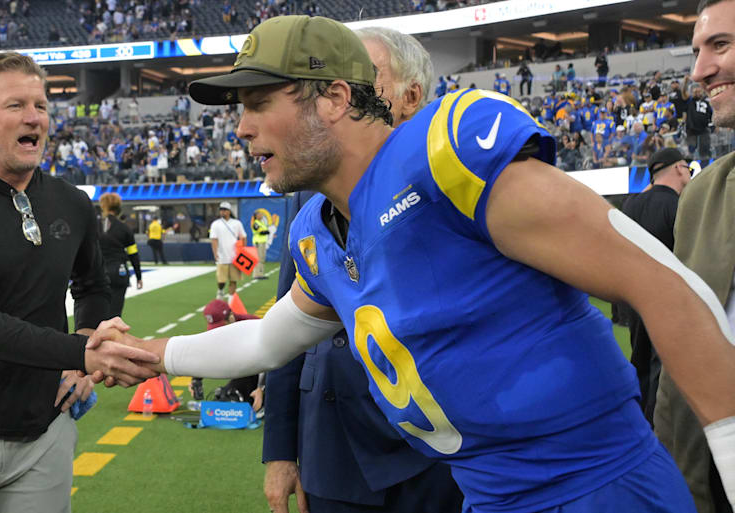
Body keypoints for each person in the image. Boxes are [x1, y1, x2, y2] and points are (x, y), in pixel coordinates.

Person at [94, 15, 735, 513]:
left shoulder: (446, 153)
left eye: (258, 103)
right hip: (487, 495)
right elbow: (268, 340)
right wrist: (155, 354)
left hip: (595, 487)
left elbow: (665, 286)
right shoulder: (318, 230)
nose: (240, 129)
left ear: (334, 98)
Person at [0, 52, 159, 513]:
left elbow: (91, 285)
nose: (34, 117)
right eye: (16, 105)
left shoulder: (72, 202)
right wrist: (84, 353)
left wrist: (84, 347)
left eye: (41, 105)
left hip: (45, 426)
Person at [262, 25, 462, 513]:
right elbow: (286, 332)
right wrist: (280, 452)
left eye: (363, 79)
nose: (342, 96)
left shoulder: (454, 179)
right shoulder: (311, 198)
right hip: (331, 446)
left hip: (439, 445)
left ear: (410, 97)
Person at [655, 1, 735, 511]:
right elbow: (676, 365)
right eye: (697, 51)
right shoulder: (703, 195)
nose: (699, 71)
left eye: (720, 44)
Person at [620, 147, 692, 426]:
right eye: (687, 168)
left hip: (633, 298)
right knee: (663, 370)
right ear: (678, 168)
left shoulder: (631, 204)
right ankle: (655, 427)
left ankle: (636, 423)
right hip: (668, 299)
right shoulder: (679, 205)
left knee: (639, 361)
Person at [190, 299, 263, 404]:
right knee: (226, 397)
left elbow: (273, 360)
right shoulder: (219, 333)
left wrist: (262, 389)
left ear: (231, 317)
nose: (219, 332)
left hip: (266, 372)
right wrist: (196, 379)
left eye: (221, 327)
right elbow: (207, 351)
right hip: (245, 370)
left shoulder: (254, 326)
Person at [98, 192, 143, 319]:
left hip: (98, 274)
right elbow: (133, 254)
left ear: (103, 206)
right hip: (119, 273)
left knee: (98, 315)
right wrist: (138, 276)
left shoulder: (94, 226)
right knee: (115, 315)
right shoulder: (125, 228)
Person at [209, 201, 245, 300]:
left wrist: (243, 251)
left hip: (235, 257)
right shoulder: (216, 224)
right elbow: (214, 239)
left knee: (233, 280)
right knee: (221, 280)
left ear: (229, 211)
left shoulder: (237, 223)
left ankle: (231, 300)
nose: (222, 212)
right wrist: (215, 253)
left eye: (224, 210)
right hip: (222, 256)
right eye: (221, 210)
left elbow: (243, 236)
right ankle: (220, 290)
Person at [251, 211, 269, 279]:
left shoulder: (261, 223)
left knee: (262, 258)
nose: (261, 215)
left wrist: (266, 231)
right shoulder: (255, 223)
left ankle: (261, 274)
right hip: (258, 242)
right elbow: (262, 232)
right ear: (256, 216)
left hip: (262, 242)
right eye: (260, 214)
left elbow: (266, 231)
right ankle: (256, 274)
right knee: (258, 258)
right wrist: (265, 231)